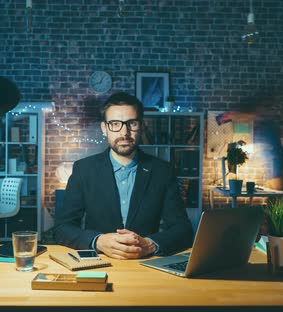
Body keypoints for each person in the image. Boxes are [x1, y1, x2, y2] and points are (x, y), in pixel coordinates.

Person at [54, 92, 194, 259]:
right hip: (98, 262)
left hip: (146, 265)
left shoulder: (163, 171)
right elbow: (62, 228)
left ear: (141, 127)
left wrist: (150, 244)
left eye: (132, 123)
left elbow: (183, 230)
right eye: (115, 124)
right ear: (104, 128)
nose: (124, 132)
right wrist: (98, 241)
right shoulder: (83, 169)